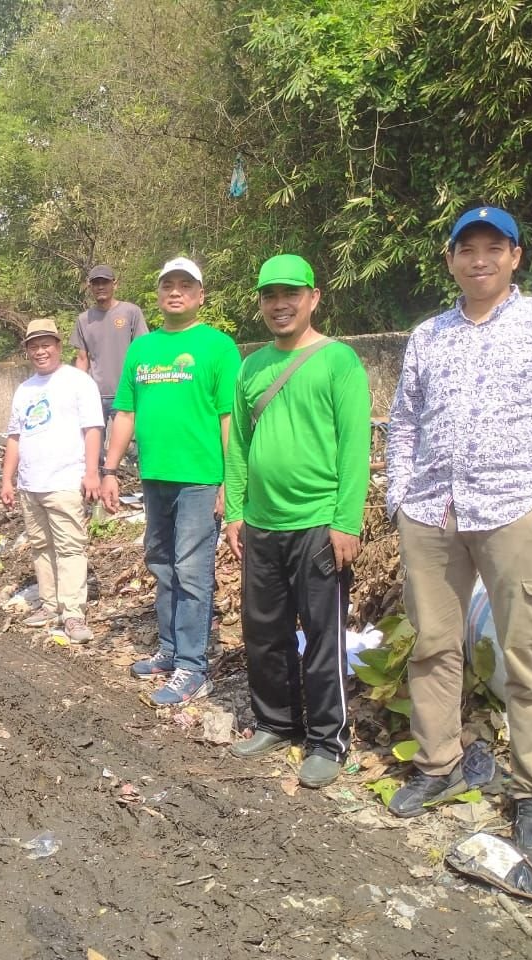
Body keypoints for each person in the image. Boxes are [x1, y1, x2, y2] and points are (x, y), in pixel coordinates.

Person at [385, 206, 532, 852]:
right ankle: (439, 767)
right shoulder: (429, 335)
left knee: (525, 656)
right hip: (432, 513)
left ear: (515, 257)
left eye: (492, 248)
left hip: (514, 512)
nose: (479, 259)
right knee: (431, 645)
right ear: (450, 260)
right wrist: (399, 496)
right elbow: (403, 423)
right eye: (465, 248)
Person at [223, 254, 371, 789]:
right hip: (262, 524)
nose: (279, 304)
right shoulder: (252, 366)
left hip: (317, 524)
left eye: (290, 294)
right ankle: (275, 722)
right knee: (264, 633)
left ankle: (328, 740)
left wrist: (345, 521)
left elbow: (356, 447)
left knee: (322, 637)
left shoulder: (339, 362)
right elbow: (238, 444)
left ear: (313, 297)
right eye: (269, 296)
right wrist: (236, 511)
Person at [100, 257, 240, 706]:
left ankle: (194, 669)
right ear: (158, 294)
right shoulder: (142, 349)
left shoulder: (218, 347)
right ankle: (171, 649)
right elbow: (125, 412)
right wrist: (108, 470)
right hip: (154, 476)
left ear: (199, 295)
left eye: (185, 285)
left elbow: (228, 419)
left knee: (193, 571)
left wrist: (230, 484)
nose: (175, 292)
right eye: (167, 285)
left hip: (200, 478)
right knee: (161, 563)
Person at [1, 318, 104, 643]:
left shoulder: (78, 382)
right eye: (34, 346)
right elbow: (15, 437)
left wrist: (92, 473)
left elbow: (93, 429)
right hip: (31, 485)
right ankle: (49, 605)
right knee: (41, 547)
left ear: (59, 347)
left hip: (65, 481)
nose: (40, 351)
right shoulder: (24, 389)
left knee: (70, 548)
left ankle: (73, 613)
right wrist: (7, 479)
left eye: (46, 344)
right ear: (28, 351)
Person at [71, 265, 149, 424]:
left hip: (126, 393)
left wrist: (142, 387)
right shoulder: (84, 319)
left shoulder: (131, 312)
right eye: (96, 283)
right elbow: (82, 358)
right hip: (95, 395)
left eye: (105, 282)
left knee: (131, 446)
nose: (100, 287)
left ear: (115, 284)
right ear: (90, 286)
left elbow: (142, 351)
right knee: (93, 446)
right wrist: (79, 391)